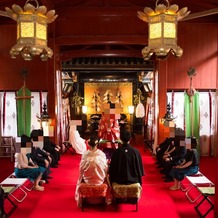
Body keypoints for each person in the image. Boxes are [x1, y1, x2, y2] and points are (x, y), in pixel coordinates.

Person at [75, 134, 108, 206]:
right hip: (99, 180)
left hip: (88, 180)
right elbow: (105, 168)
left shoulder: (85, 154)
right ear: (97, 143)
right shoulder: (101, 154)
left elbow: (81, 169)